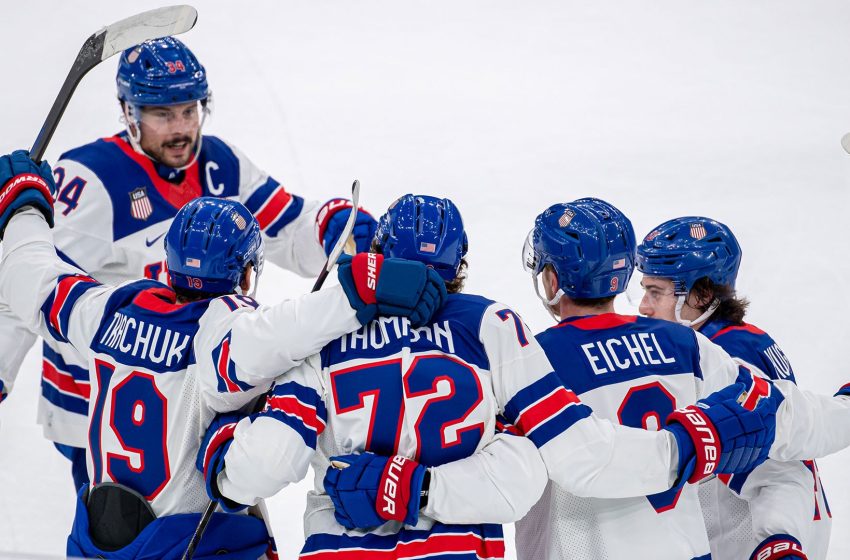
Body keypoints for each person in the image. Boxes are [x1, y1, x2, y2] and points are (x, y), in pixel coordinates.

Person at [196, 194, 781, 559]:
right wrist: (420, 488)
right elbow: (526, 472)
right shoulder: (492, 325)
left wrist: (225, 462)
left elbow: (265, 461)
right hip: (460, 550)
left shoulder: (321, 338)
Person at [0, 150, 445, 558]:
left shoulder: (108, 310)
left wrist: (23, 208)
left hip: (99, 543)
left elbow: (29, 273)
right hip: (190, 546)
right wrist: (360, 291)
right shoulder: (223, 332)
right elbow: (286, 330)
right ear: (247, 275)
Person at [0, 36, 377, 490]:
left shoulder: (221, 164)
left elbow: (287, 223)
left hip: (196, 396)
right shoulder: (90, 180)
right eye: (162, 114)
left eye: (189, 110)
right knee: (122, 524)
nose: (181, 128)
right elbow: (26, 278)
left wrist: (333, 230)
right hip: (105, 404)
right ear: (129, 113)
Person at [637, 217, 831, 560]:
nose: (643, 307)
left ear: (702, 294)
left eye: (656, 292)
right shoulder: (740, 337)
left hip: (760, 541)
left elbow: (779, 468)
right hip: (787, 528)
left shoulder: (727, 357)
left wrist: (779, 539)